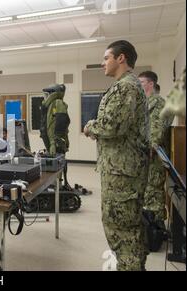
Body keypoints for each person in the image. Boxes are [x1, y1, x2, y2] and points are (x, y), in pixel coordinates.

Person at [84, 40, 149, 271]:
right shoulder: (126, 86)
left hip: (122, 173)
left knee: (121, 229)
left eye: (106, 58)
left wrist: (90, 126)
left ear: (121, 58)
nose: (103, 63)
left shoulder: (126, 87)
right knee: (127, 228)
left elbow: (111, 126)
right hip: (122, 170)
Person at [138, 71, 173, 225]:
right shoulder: (146, 103)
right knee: (148, 191)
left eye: (141, 83)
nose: (138, 86)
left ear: (150, 84)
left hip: (153, 157)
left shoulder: (158, 102)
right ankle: (152, 225)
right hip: (146, 155)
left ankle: (157, 228)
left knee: (154, 191)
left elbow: (156, 132)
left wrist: (148, 149)